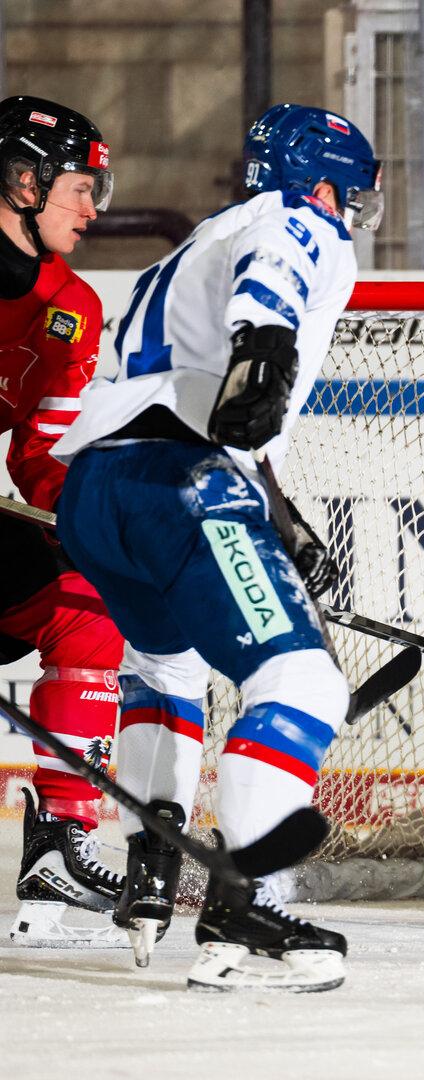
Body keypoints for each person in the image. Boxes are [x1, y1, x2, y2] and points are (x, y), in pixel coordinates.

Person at [50, 103, 381, 990]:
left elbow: (193, 396)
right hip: (181, 489)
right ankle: (248, 905)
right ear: (321, 182)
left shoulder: (196, 242)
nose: (346, 212)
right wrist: (267, 344)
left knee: (167, 670)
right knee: (302, 681)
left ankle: (152, 868)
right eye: (347, 194)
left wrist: (274, 507)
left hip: (100, 491)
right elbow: (274, 280)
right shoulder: (292, 216)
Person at [0, 96, 128, 949]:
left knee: (90, 590)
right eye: (79, 187)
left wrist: (104, 513)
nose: (92, 207)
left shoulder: (71, 303)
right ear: (22, 180)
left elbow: (40, 459)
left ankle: (58, 839)